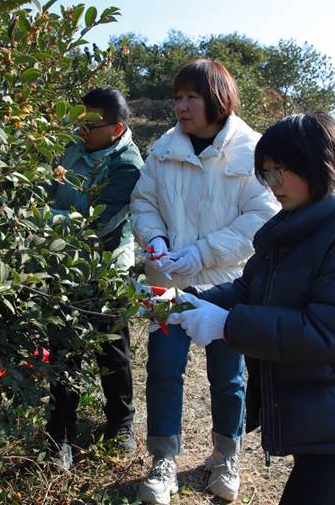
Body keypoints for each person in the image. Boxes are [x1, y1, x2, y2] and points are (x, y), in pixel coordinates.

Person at [167, 112, 335, 505]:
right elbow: (250, 287)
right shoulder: (293, 225)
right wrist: (189, 299)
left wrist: (228, 325)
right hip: (325, 404)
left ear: (322, 165)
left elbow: (327, 331)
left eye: (281, 170)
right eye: (267, 172)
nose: (273, 182)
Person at [130, 59, 280, 503]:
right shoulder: (164, 149)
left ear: (218, 99)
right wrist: (156, 240)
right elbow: (143, 202)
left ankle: (225, 456)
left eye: (191, 97)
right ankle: (163, 461)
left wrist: (201, 252)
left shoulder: (252, 151)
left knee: (228, 375)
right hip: (166, 282)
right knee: (163, 370)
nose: (181, 106)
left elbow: (263, 217)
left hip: (229, 283)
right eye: (177, 97)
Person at [46, 87, 144, 471]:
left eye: (90, 124)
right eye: (80, 121)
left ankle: (121, 423)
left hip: (106, 265)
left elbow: (98, 224)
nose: (81, 130)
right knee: (63, 347)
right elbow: (48, 189)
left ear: (116, 129)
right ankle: (60, 432)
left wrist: (40, 221)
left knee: (111, 348)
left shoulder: (128, 166)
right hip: (63, 262)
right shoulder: (72, 148)